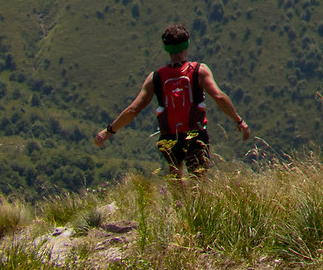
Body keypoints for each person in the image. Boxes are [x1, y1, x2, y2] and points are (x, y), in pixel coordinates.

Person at [94, 21, 250, 174]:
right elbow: (219, 97)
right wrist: (239, 121)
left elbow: (133, 109)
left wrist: (109, 131)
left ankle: (178, 192)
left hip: (169, 136)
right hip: (196, 133)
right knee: (199, 178)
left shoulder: (155, 77)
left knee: (175, 176)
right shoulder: (199, 71)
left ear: (166, 48)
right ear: (186, 46)